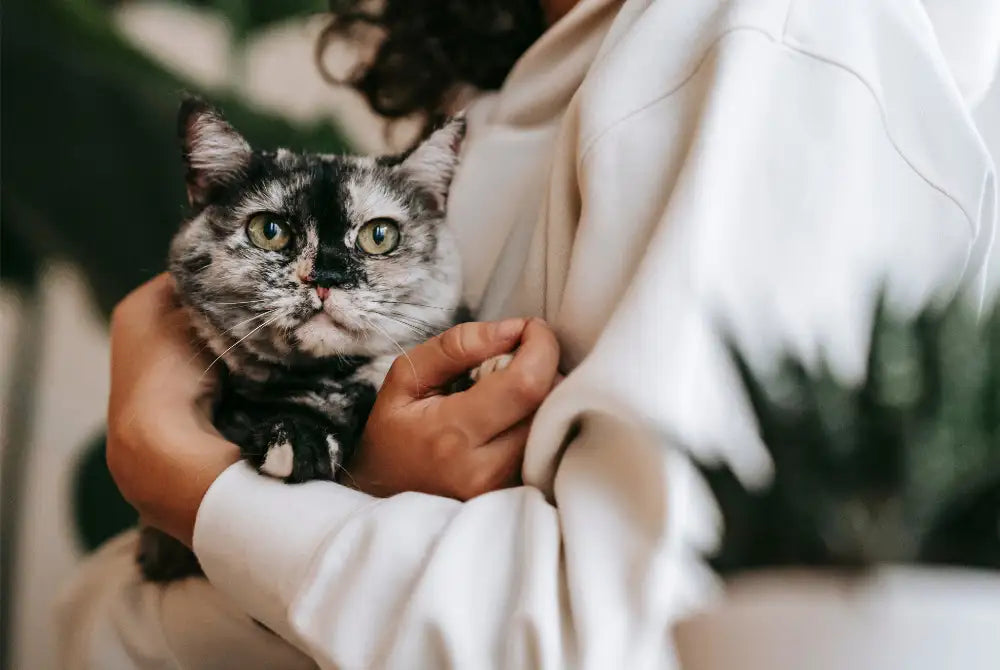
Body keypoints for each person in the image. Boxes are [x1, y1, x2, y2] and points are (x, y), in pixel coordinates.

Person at [59, 0, 999, 668]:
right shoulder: (506, 95)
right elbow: (90, 628)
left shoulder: (773, 32)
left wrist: (189, 479)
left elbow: (634, 641)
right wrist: (348, 491)